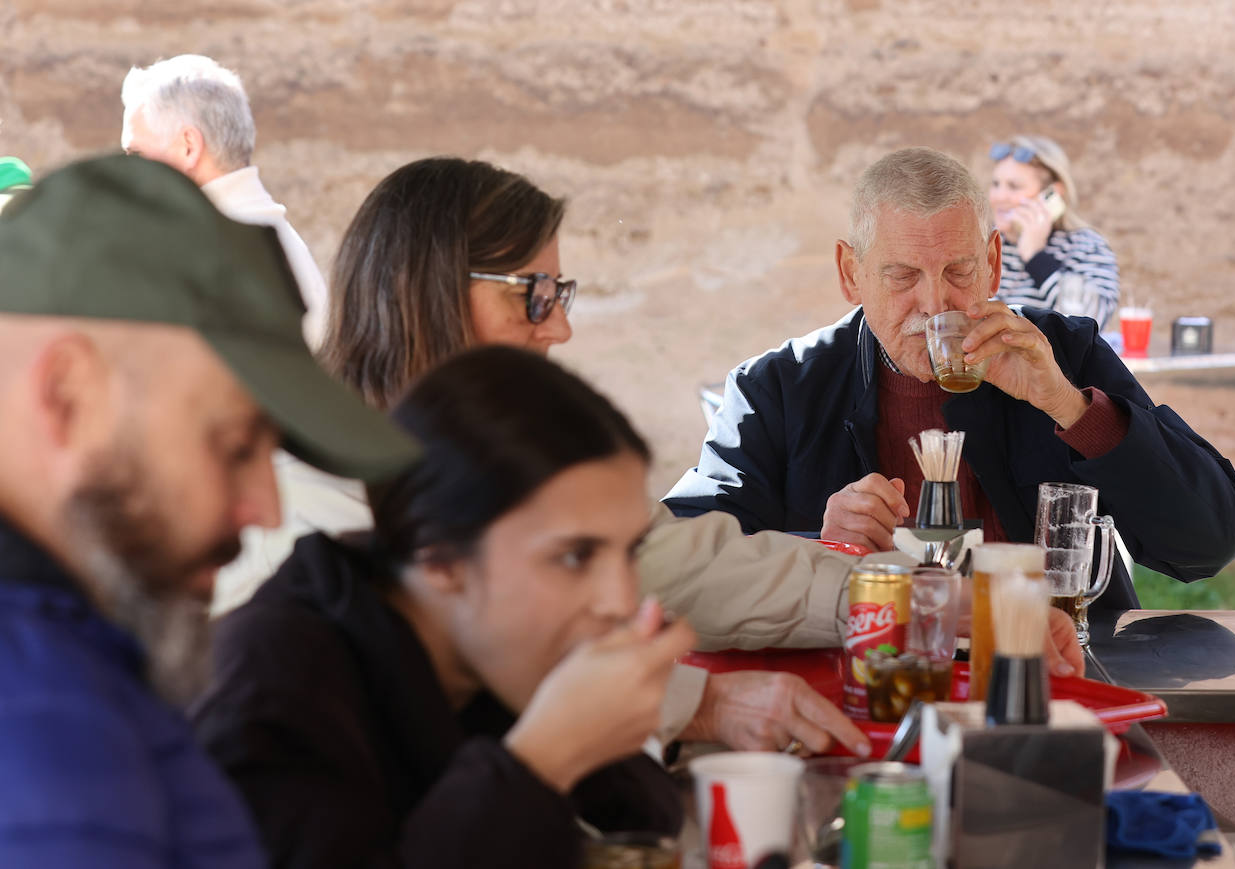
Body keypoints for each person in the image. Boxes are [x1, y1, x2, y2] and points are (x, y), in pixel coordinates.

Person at [211, 156, 894, 757]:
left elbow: (683, 562)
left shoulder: (507, 453)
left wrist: (891, 594)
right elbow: (437, 677)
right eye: (534, 295)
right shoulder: (303, 490)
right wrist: (695, 704)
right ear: (430, 293)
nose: (560, 327)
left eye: (559, 294)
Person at [0, 156, 417, 865]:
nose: (266, 509)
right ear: (67, 397)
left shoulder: (78, 660)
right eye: (234, 447)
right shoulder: (41, 721)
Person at [664, 147, 1235, 611]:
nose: (934, 304)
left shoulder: (1060, 354)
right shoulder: (778, 390)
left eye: (959, 271)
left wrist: (1069, 406)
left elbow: (1210, 543)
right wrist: (821, 550)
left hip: (1054, 679)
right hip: (863, 684)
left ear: (992, 263)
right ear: (851, 273)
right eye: (902, 276)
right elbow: (677, 567)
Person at [193, 347, 697, 868]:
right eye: (574, 556)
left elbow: (634, 824)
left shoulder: (482, 656)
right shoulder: (277, 695)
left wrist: (599, 740)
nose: (620, 600)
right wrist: (542, 760)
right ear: (441, 562)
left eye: (631, 550)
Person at [121, 54, 331, 347]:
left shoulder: (205, 254)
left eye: (136, 154)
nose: (125, 171)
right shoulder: (271, 239)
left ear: (188, 147)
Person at [988, 135, 1120, 327]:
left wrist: (1035, 256)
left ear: (1052, 194)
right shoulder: (983, 244)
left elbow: (1089, 323)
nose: (999, 197)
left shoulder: (1087, 246)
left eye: (1014, 186)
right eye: (996, 184)